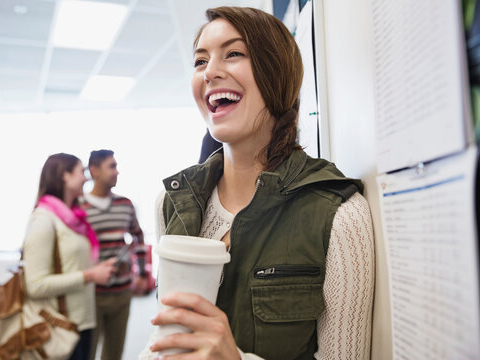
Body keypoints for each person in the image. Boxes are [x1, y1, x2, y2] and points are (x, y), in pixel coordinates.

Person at [140, 6, 374, 360]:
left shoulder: (340, 216)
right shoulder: (169, 202)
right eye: (200, 61)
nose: (210, 72)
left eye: (233, 53)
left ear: (275, 73)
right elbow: (167, 336)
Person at [23, 153, 117, 360]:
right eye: (80, 172)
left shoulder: (72, 217)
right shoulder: (43, 221)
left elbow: (70, 265)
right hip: (59, 326)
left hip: (81, 322)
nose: (86, 178)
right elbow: (35, 285)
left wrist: (97, 269)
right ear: (64, 176)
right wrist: (91, 275)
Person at [80, 149, 148, 360]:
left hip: (122, 293)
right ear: (94, 170)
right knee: (87, 352)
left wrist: (143, 272)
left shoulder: (125, 204)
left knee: (114, 354)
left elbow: (138, 236)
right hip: (91, 295)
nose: (117, 172)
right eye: (112, 166)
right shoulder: (79, 207)